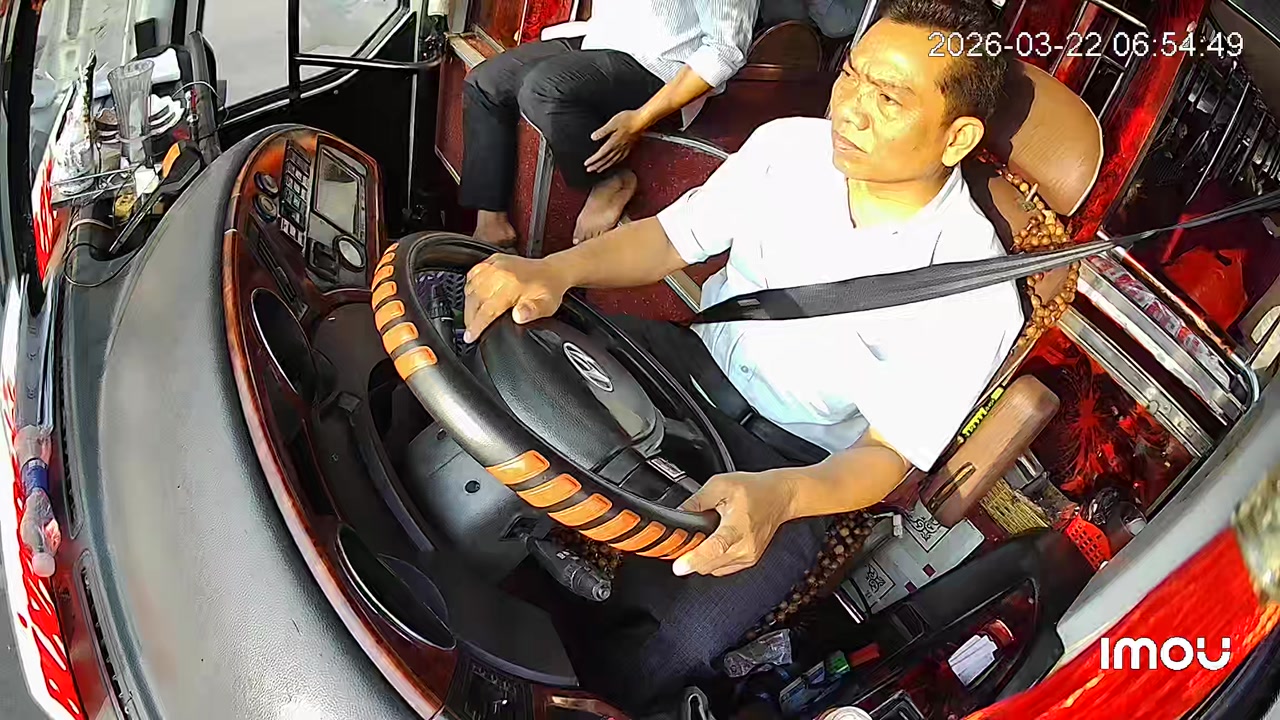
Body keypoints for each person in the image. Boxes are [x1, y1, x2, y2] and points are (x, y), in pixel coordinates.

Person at [463, 0, 1021, 710]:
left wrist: (782, 498)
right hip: (684, 366)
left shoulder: (976, 292)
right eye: (852, 74)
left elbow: (886, 455)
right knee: (503, 391)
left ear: (957, 136)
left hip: (790, 465)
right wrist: (555, 270)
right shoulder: (788, 147)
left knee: (672, 641)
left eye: (888, 98)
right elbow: (670, 239)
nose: (850, 108)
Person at [459, 0, 759, 247]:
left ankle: (609, 181)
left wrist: (642, 117)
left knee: (543, 88)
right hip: (602, 39)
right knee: (486, 83)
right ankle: (491, 225)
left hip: (663, 67)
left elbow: (725, 51)